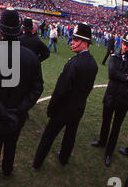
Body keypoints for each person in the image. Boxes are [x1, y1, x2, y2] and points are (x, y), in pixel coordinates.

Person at [0, 8, 43, 179]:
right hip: (17, 114)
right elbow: (37, 88)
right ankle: (7, 170)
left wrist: (2, 110)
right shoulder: (31, 57)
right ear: (20, 29)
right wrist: (19, 109)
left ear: (0, 29)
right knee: (11, 144)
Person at [33, 23, 98, 169]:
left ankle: (37, 162)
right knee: (70, 135)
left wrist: (52, 108)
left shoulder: (74, 63)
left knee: (48, 135)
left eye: (76, 40)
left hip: (63, 109)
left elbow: (61, 90)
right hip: (79, 107)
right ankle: (63, 158)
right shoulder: (93, 63)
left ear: (85, 43)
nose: (72, 42)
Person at [91, 32, 128, 166]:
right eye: (124, 44)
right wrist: (126, 77)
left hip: (123, 99)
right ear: (121, 43)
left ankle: (109, 153)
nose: (126, 47)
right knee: (106, 121)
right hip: (111, 95)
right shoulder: (114, 56)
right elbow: (112, 73)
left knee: (116, 128)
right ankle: (102, 141)